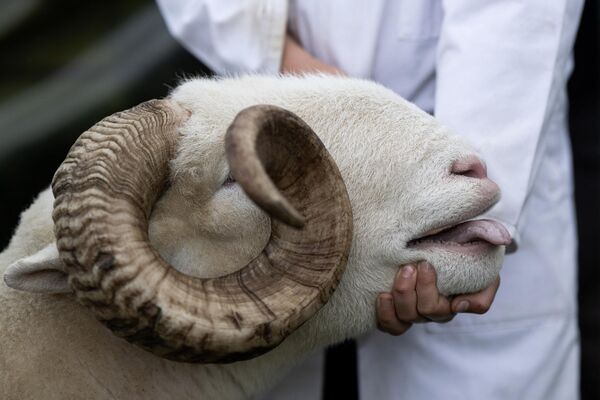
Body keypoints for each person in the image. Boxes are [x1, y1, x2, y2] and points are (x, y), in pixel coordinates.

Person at [156, 1, 584, 399]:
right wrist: (284, 67)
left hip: (457, 140)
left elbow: (510, 19)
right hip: (278, 181)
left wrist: (465, 198)